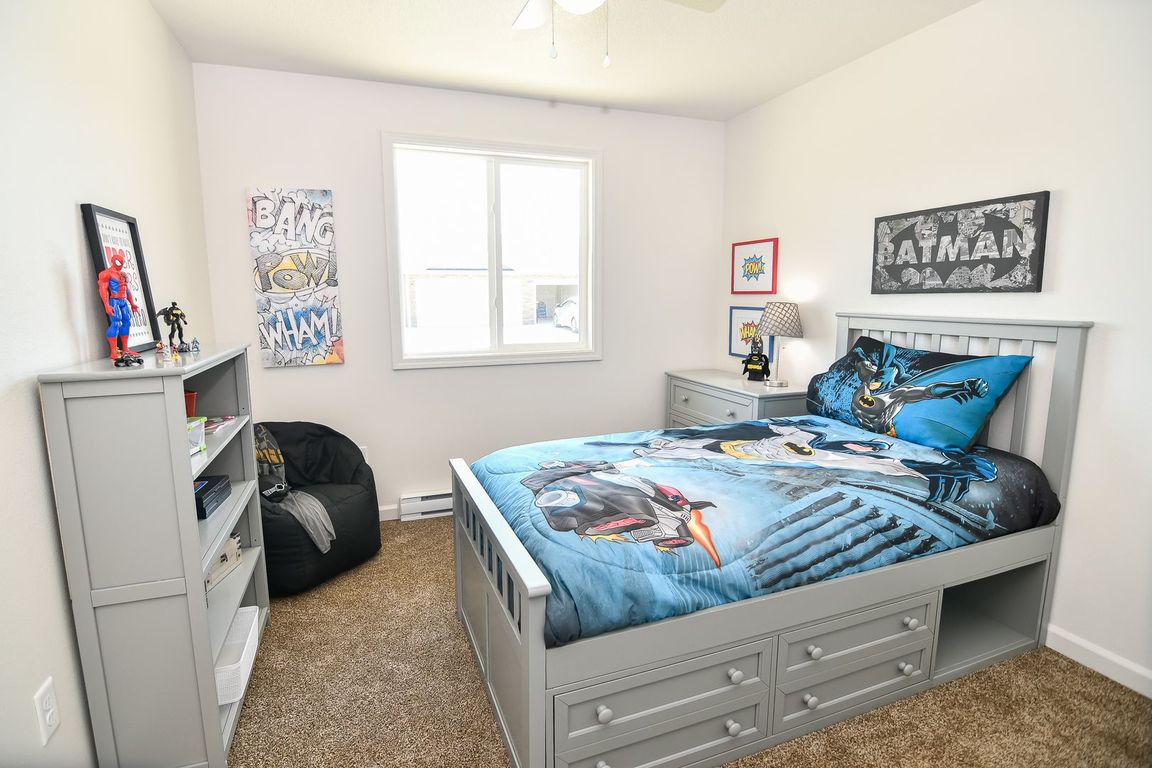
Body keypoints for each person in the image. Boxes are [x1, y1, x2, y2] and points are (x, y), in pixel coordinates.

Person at [97, 254, 142, 366]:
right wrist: (106, 305)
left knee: (127, 321)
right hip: (114, 300)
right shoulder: (106, 273)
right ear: (113, 261)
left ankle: (125, 349)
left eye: (122, 262)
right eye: (118, 262)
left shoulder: (123, 274)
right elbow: (103, 289)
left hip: (123, 301)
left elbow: (127, 289)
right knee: (116, 323)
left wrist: (132, 303)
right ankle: (114, 351)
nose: (121, 264)